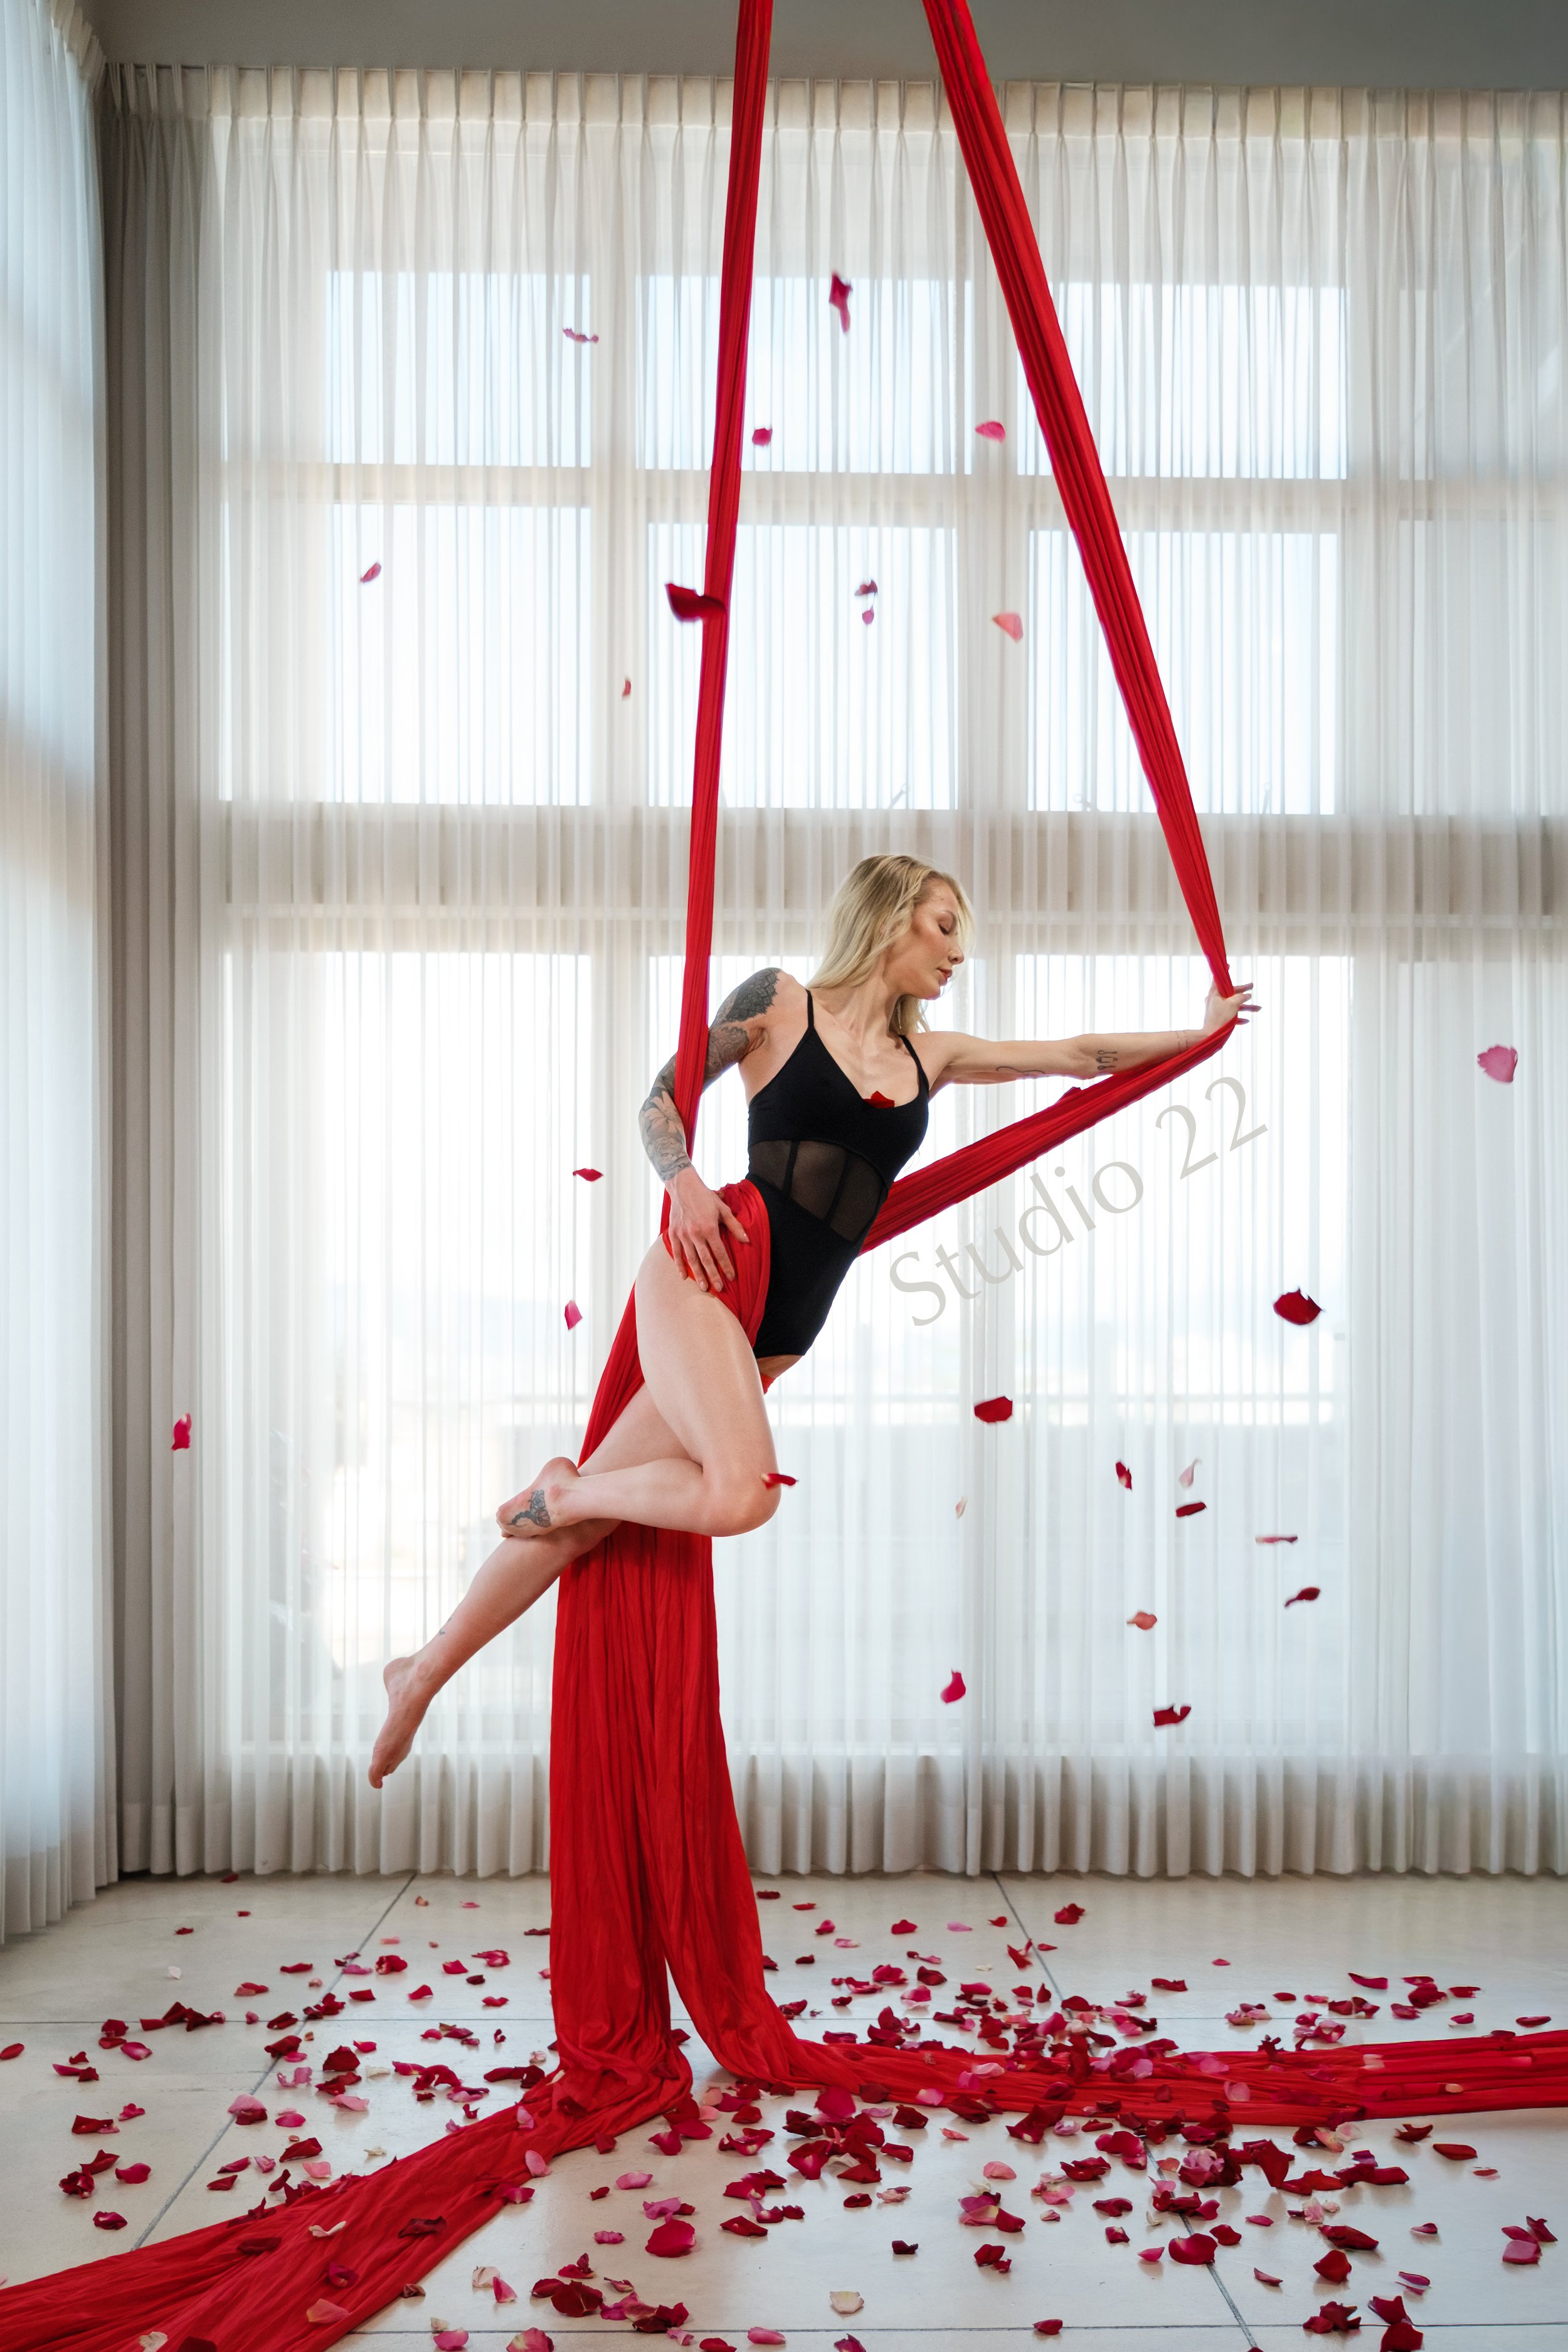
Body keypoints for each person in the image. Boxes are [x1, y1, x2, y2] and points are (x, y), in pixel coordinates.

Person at [369, 854, 1253, 1785]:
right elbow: (661, 1096)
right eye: (945, 925)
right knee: (743, 1492)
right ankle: (567, 1487)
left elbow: (1080, 1056)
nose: (958, 952)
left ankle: (420, 1672)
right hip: (708, 1274)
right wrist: (683, 1185)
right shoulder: (780, 1002)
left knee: (588, 1527)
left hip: (771, 1337)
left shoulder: (932, 1057)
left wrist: (1198, 1038)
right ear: (889, 915)